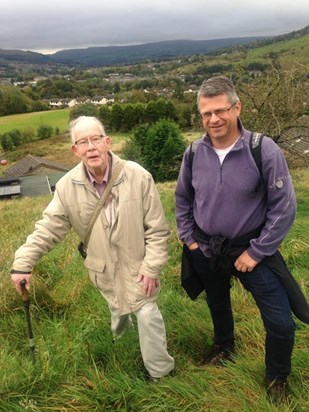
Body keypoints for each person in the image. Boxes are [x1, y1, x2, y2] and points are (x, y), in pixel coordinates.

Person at [11, 115, 174, 380]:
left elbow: (157, 230)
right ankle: (122, 342)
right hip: (103, 269)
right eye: (82, 142)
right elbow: (49, 228)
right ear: (75, 150)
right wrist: (23, 262)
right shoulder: (66, 187)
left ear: (107, 142)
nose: (91, 147)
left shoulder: (138, 176)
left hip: (139, 267)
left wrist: (152, 268)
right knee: (117, 307)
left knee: (147, 315)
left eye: (96, 139)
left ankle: (161, 373)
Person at [175, 76, 304, 404]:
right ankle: (224, 346)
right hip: (206, 248)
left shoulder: (262, 149)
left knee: (281, 323)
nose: (213, 119)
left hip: (249, 250)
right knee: (217, 302)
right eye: (206, 113)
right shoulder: (193, 152)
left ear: (237, 108)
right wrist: (191, 241)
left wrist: (257, 252)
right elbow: (182, 199)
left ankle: (276, 377)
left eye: (220, 111)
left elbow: (284, 207)